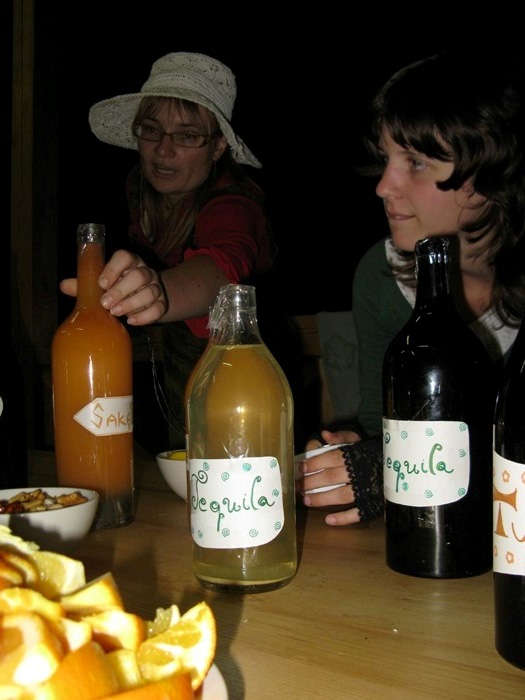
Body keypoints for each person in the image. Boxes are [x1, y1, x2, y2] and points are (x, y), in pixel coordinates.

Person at [296, 48, 525, 525]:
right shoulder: (381, 276)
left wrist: (397, 466)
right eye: (387, 159)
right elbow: (383, 425)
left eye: (416, 163)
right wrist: (362, 455)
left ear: (491, 175)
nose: (384, 186)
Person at [61, 52, 301, 448]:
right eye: (151, 130)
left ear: (218, 147)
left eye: (187, 135)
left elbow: (224, 267)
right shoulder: (139, 190)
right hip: (180, 379)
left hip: (255, 392)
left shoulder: (233, 204)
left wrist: (157, 290)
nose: (163, 150)